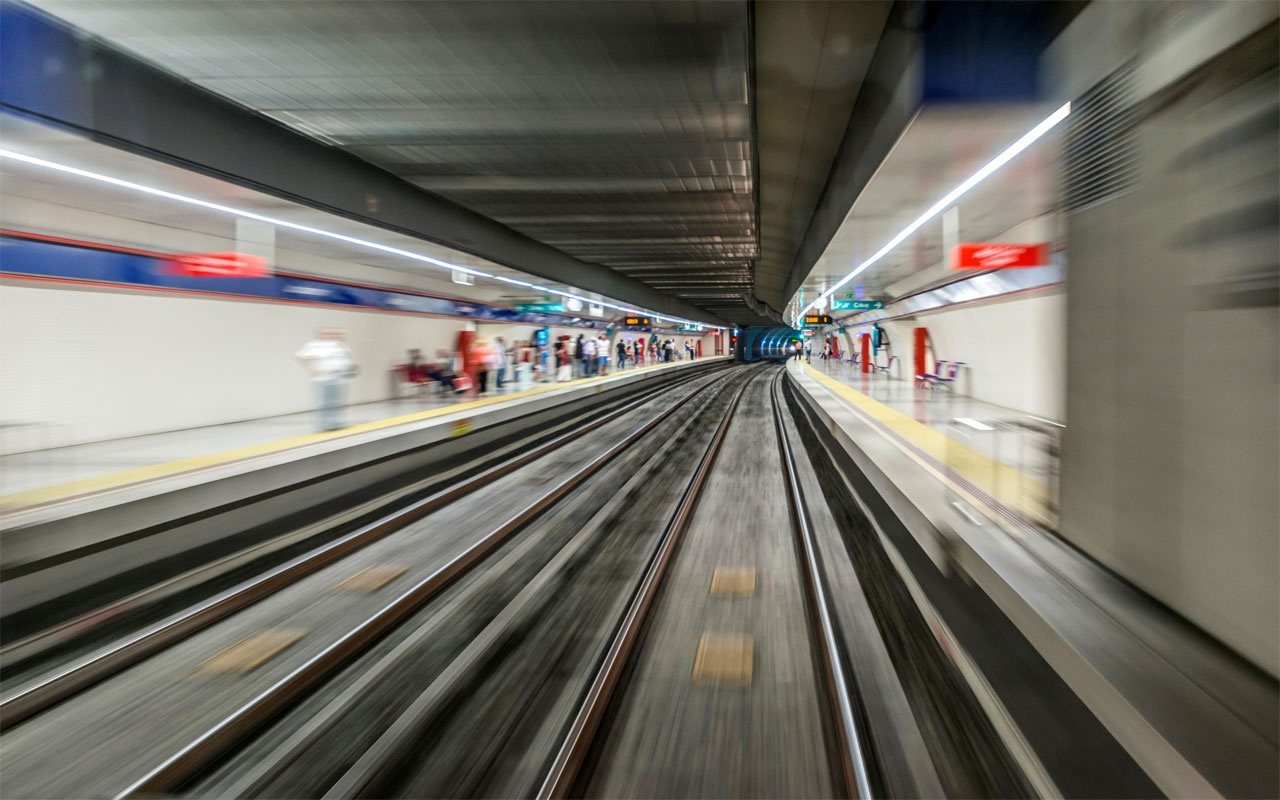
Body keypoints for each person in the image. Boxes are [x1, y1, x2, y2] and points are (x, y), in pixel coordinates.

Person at [296, 328, 355, 432]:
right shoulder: (313, 346)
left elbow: (345, 359)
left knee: (334, 402)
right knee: (325, 403)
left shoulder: (337, 345)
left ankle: (335, 422)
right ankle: (323, 424)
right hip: (322, 378)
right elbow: (300, 357)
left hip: (335, 377)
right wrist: (311, 369)